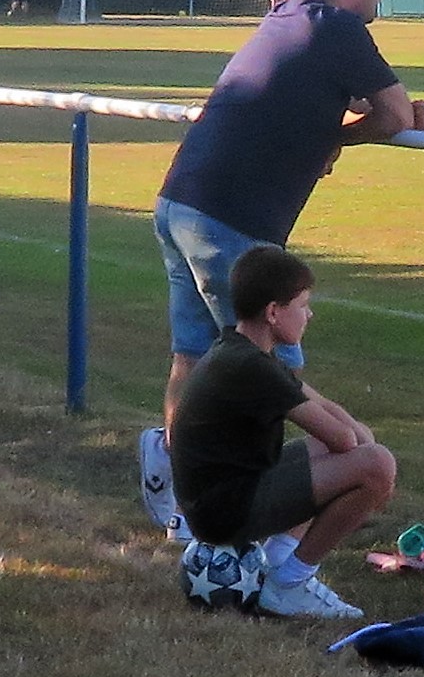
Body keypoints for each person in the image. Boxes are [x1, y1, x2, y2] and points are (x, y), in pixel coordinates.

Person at [140, 0, 424, 542]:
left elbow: (328, 97)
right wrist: (340, 136)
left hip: (179, 203)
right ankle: (264, 529)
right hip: (231, 220)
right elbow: (396, 115)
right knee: (271, 368)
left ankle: (178, 490)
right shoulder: (340, 28)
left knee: (194, 358)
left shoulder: (288, 14)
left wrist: (334, 127)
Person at [168, 247, 394, 620]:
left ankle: (277, 560)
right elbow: (342, 440)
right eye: (302, 306)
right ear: (273, 312)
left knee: (357, 450)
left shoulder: (241, 350)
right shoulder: (250, 368)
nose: (310, 315)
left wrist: (361, 436)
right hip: (223, 513)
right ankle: (289, 585)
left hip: (225, 494)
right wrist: (370, 466)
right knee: (377, 466)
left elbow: (327, 411)